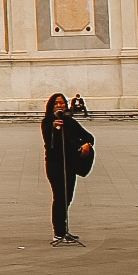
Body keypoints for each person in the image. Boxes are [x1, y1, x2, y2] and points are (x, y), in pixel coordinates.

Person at [41, 93, 94, 246]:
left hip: (70, 164)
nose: (60, 106)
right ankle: (58, 233)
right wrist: (56, 128)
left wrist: (87, 145)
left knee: (68, 197)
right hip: (55, 164)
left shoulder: (70, 121)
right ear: (51, 106)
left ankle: (63, 230)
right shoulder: (47, 122)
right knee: (60, 197)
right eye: (56, 103)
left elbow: (88, 136)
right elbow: (52, 144)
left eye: (62, 103)